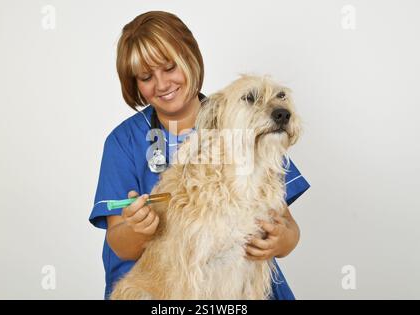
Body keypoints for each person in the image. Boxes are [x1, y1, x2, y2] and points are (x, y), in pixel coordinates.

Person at [89, 11, 310, 300]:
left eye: (170, 67)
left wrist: (282, 241)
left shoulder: (243, 121)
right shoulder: (124, 142)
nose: (162, 84)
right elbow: (120, 244)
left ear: (190, 57)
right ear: (135, 85)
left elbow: (286, 225)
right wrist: (138, 228)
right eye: (146, 77)